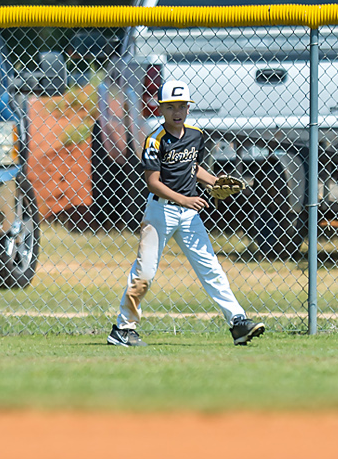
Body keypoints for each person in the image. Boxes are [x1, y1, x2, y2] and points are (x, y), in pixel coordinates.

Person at [108, 80, 266, 348]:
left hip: (188, 214)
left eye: (182, 106)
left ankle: (238, 322)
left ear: (189, 108)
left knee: (211, 268)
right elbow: (153, 182)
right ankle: (122, 329)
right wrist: (185, 199)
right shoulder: (155, 140)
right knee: (144, 273)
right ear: (161, 109)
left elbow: (192, 166)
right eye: (171, 107)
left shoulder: (195, 135)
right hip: (160, 212)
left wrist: (213, 182)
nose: (177, 112)